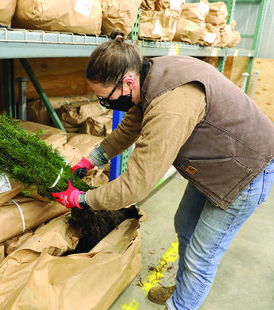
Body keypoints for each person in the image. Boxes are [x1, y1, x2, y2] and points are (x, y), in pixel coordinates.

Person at [52, 30, 274, 309]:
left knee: (201, 256)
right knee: (185, 223)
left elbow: (135, 186)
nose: (104, 104)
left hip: (246, 171)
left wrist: (82, 199)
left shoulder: (170, 107)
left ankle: (182, 305)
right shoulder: (150, 75)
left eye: (105, 98)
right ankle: (184, 290)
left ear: (127, 81)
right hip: (217, 161)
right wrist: (93, 158)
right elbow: (131, 125)